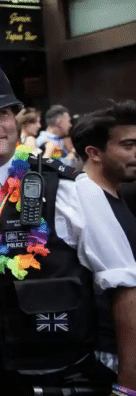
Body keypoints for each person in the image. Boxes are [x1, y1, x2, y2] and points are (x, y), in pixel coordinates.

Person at [0, 57, 133, 396]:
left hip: (64, 379)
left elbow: (126, 288)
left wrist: (128, 387)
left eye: (2, 113)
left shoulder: (73, 188)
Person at [70, 100, 136, 382]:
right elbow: (122, 289)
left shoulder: (117, 194)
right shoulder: (84, 197)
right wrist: (127, 384)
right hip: (108, 358)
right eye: (128, 146)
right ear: (94, 153)